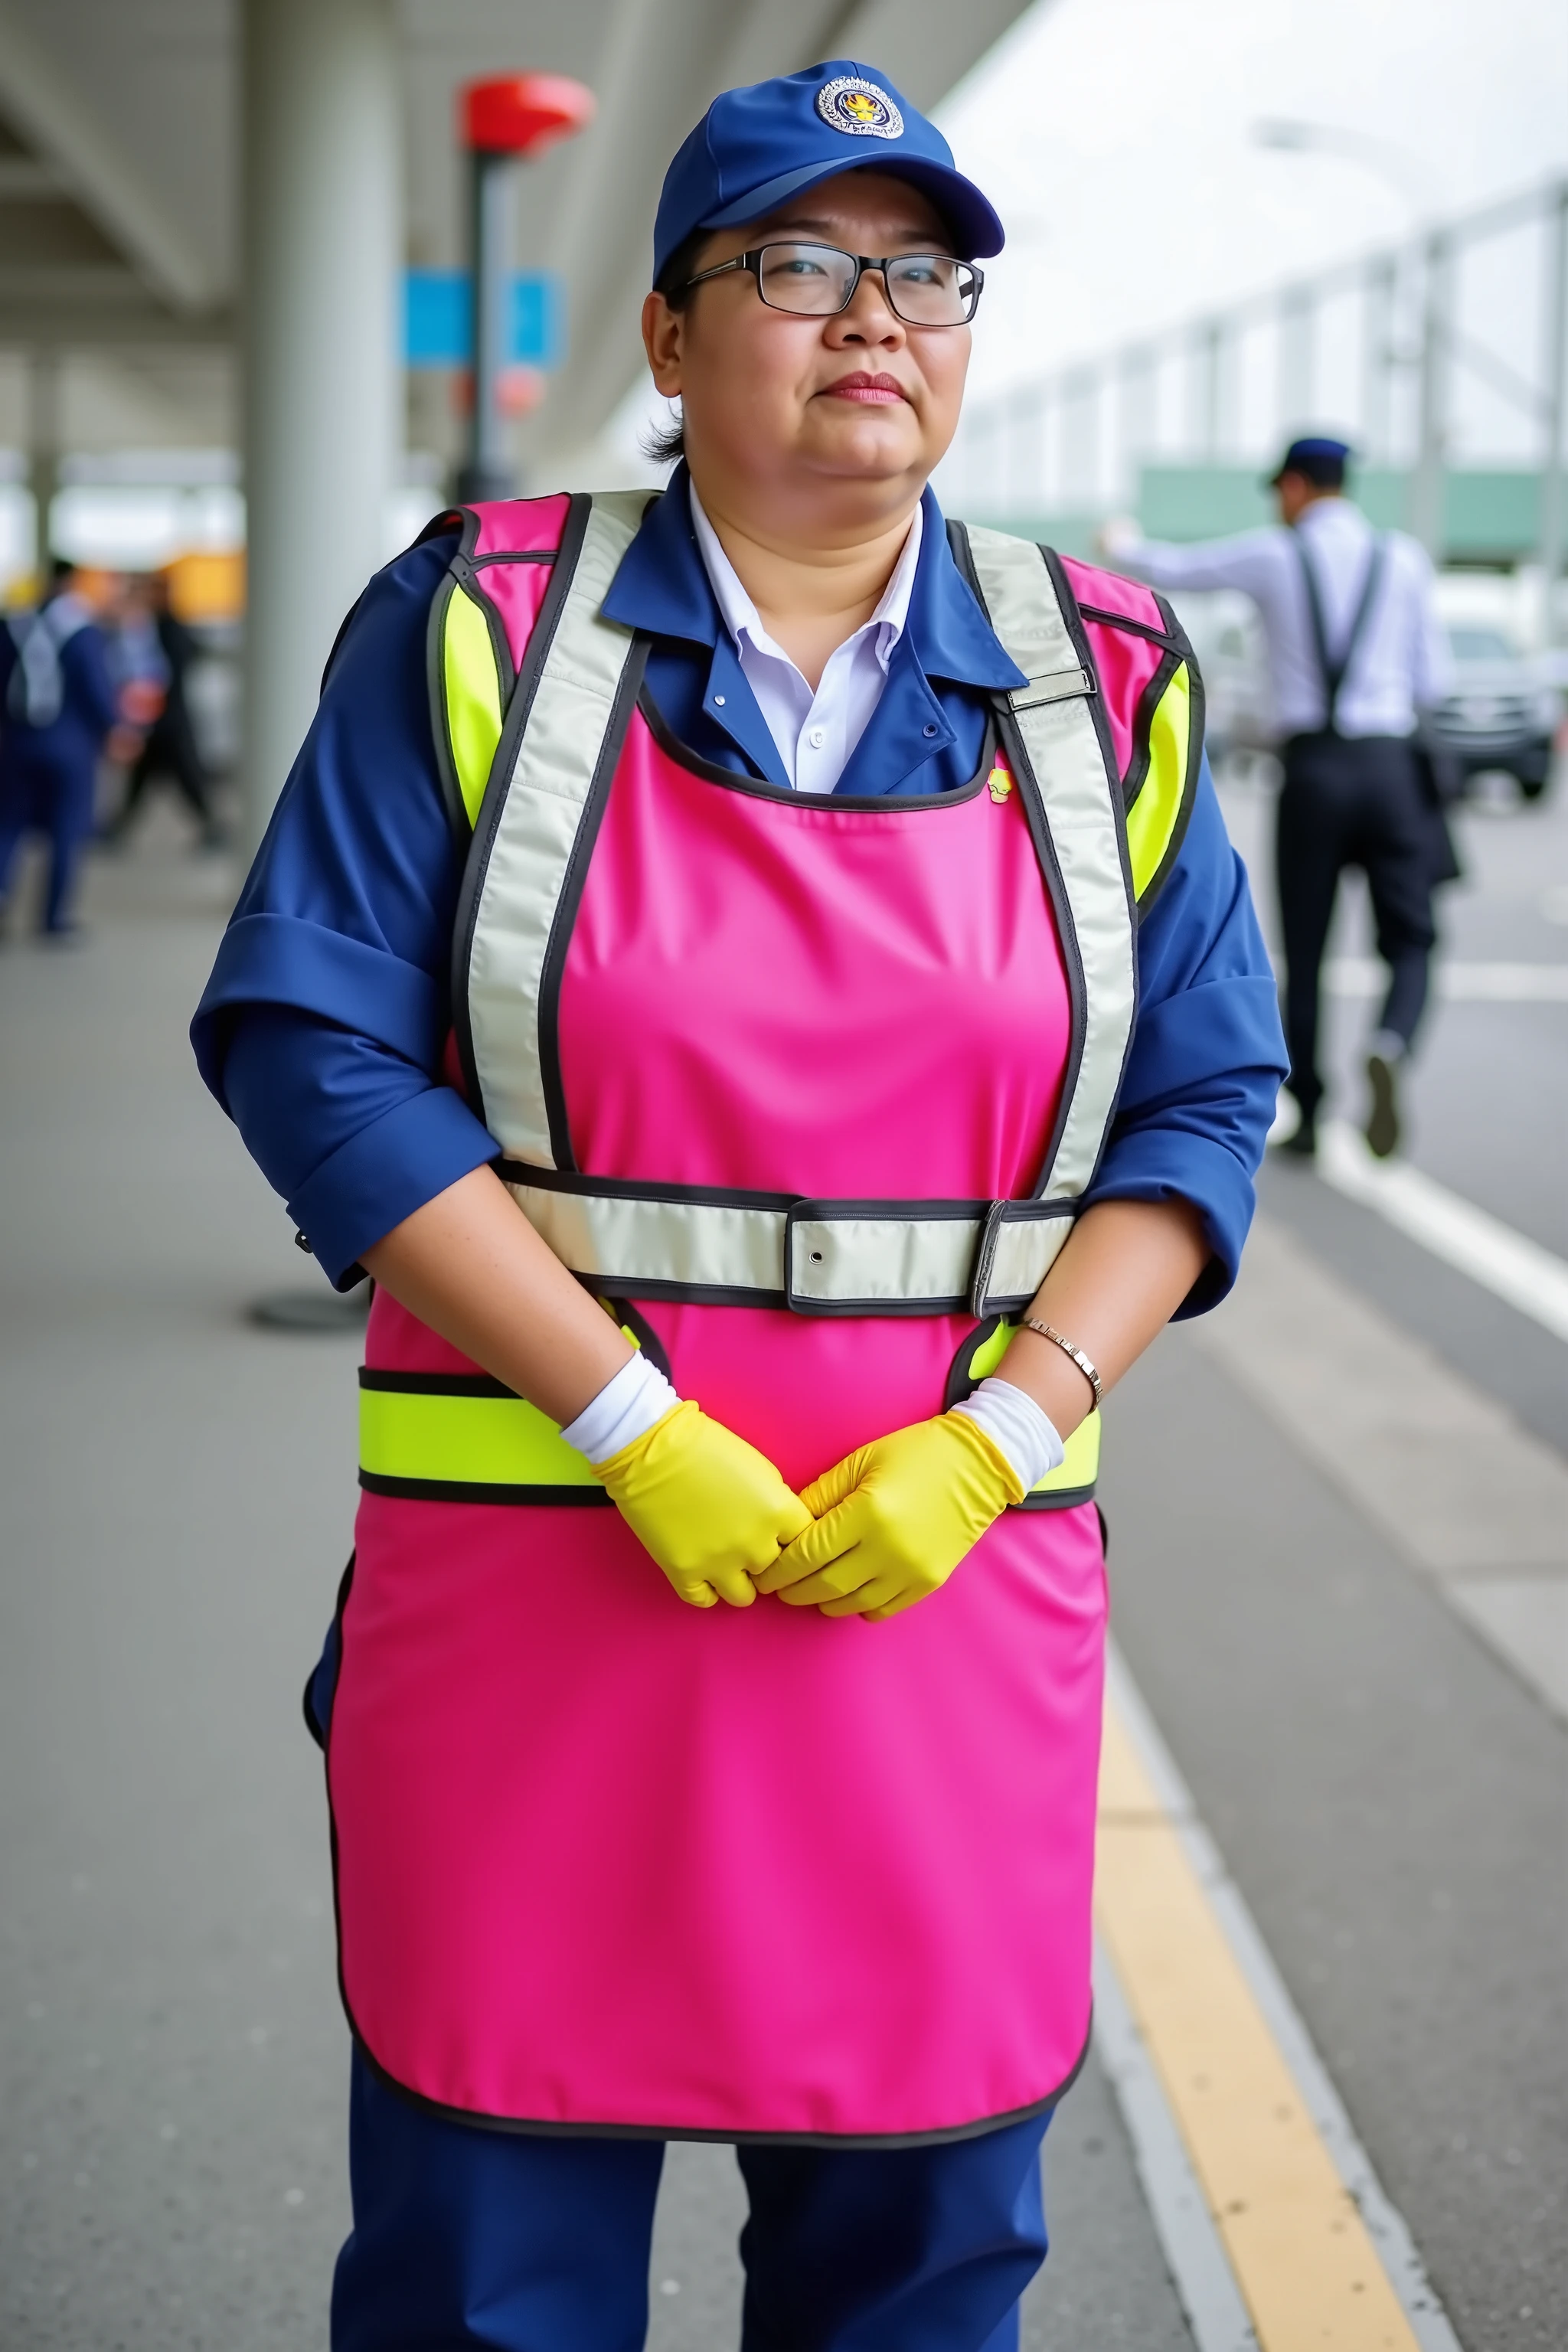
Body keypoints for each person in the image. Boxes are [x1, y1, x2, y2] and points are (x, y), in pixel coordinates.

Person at [193, 60, 1285, 2352]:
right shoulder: (479, 624)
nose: (868, 317)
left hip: (935, 1629)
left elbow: (1200, 1104)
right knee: (493, 2279)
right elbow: (315, 1043)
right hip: (537, 1618)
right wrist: (623, 1416)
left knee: (916, 2273)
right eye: (794, 263)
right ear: (673, 341)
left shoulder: (1105, 680)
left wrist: (1001, 1430)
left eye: (920, 273)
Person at [1109, 436, 1454, 1158]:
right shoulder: (1404, 560)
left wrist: (1121, 541)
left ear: (1297, 487)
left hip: (1314, 771)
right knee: (1412, 936)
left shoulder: (1276, 554)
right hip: (1392, 769)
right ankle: (1391, 1040)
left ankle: (1312, 1109)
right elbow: (1433, 685)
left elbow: (1177, 568)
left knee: (1306, 943)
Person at [0, 557, 121, 937]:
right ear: (71, 583)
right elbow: (95, 687)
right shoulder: (82, 630)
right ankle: (53, 919)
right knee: (67, 829)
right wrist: (114, 728)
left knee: (8, 826)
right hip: (71, 744)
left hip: (16, 743)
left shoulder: (12, 625)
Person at [107, 569, 221, 847]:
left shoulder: (168, 627)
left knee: (185, 780)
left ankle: (214, 828)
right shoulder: (155, 626)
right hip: (159, 719)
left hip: (170, 722)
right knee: (143, 781)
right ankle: (119, 829)